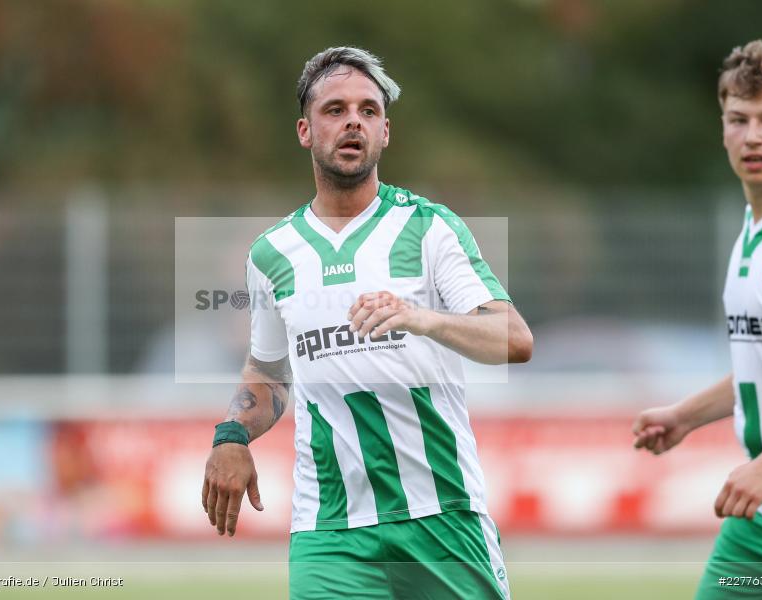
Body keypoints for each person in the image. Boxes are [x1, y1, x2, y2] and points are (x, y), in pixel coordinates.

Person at [201, 46, 533, 599]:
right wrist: (231, 436)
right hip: (328, 531)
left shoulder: (430, 230)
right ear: (306, 131)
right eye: (335, 110)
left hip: (442, 515)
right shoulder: (272, 254)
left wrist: (423, 320)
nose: (353, 120)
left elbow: (515, 339)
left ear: (385, 132)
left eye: (368, 110)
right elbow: (269, 372)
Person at [633, 40, 762, 599]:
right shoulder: (755, 230)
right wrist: (686, 415)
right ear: (722, 128)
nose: (753, 137)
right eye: (738, 119)